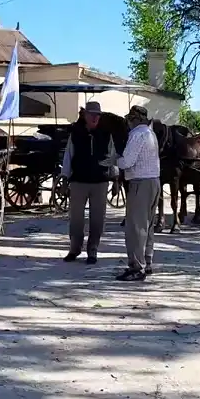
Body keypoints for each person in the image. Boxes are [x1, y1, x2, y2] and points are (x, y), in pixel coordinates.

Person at [108, 105, 160, 281]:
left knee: (135, 227)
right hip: (154, 181)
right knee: (148, 224)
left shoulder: (137, 134)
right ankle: (148, 260)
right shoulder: (150, 133)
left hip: (140, 183)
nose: (128, 124)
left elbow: (127, 162)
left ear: (134, 120)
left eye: (129, 120)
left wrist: (114, 159)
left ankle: (137, 267)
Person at [61, 101, 117, 265]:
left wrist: (115, 180)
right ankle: (74, 249)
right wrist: (65, 178)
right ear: (85, 115)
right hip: (79, 181)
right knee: (76, 218)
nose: (94, 117)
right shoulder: (76, 133)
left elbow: (112, 157)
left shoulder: (106, 134)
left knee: (98, 219)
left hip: (100, 182)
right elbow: (68, 156)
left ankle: (92, 251)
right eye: (91, 114)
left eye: (97, 115)